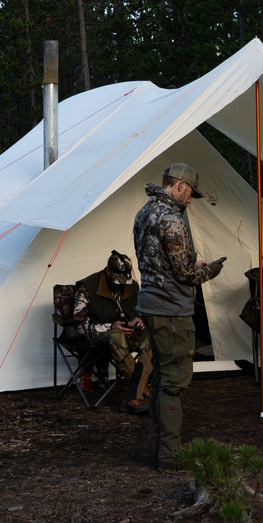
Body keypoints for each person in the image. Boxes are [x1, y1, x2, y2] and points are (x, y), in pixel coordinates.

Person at [133, 163, 225, 470]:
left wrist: (191, 260)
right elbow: (185, 275)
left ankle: (164, 445)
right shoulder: (171, 218)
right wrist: (211, 270)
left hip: (151, 303)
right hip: (171, 309)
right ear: (180, 186)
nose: (190, 200)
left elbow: (157, 259)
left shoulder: (144, 212)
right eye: (189, 194)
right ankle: (170, 455)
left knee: (162, 374)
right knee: (174, 380)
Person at [73, 250, 153, 415]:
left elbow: (142, 311)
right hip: (102, 338)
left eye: (124, 280)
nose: (121, 284)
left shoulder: (131, 286)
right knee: (116, 337)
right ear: (108, 270)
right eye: (117, 279)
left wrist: (140, 320)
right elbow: (79, 327)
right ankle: (142, 392)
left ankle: (134, 395)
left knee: (154, 337)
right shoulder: (88, 287)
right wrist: (110, 327)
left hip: (129, 333)